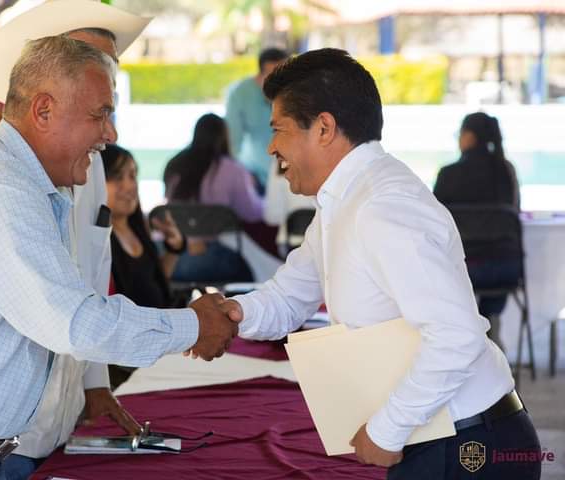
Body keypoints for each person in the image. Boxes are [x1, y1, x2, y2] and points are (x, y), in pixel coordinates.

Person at [0, 36, 236, 480]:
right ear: (44, 110)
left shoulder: (21, 182)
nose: (110, 134)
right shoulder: (0, 187)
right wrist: (193, 326)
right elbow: (72, 323)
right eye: (100, 114)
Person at [216, 49, 540, 479]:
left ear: (325, 128)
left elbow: (456, 335)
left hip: (467, 445)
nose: (271, 146)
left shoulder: (383, 206)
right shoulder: (342, 201)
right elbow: (289, 296)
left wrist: (388, 429)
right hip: (436, 436)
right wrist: (232, 315)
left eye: (279, 129)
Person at [0, 3, 156, 478]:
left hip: (60, 419)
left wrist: (94, 380)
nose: (104, 79)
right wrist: (193, 327)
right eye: (86, 62)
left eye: (109, 67)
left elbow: (94, 273)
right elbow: (59, 311)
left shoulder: (93, 164)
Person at [433, 112, 521, 351]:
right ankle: (488, 325)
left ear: (469, 137)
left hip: (464, 270)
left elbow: (434, 223)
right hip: (505, 270)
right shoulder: (506, 171)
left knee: (448, 272)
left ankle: (468, 334)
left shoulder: (448, 174)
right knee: (497, 259)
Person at [103, 144, 186, 388]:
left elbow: (153, 283)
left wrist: (173, 249)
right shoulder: (97, 242)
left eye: (132, 175)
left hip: (162, 344)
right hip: (130, 360)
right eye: (118, 177)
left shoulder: (136, 229)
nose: (130, 186)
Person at [164, 113, 263, 283]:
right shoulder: (233, 170)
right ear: (224, 137)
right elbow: (252, 212)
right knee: (250, 271)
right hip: (215, 258)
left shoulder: (175, 165)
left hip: (173, 258)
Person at [225, 47, 288, 192]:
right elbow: (233, 143)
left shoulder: (295, 92)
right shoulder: (239, 94)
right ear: (260, 76)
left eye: (284, 77)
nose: (279, 83)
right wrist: (243, 176)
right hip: (254, 176)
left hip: (289, 173)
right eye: (272, 76)